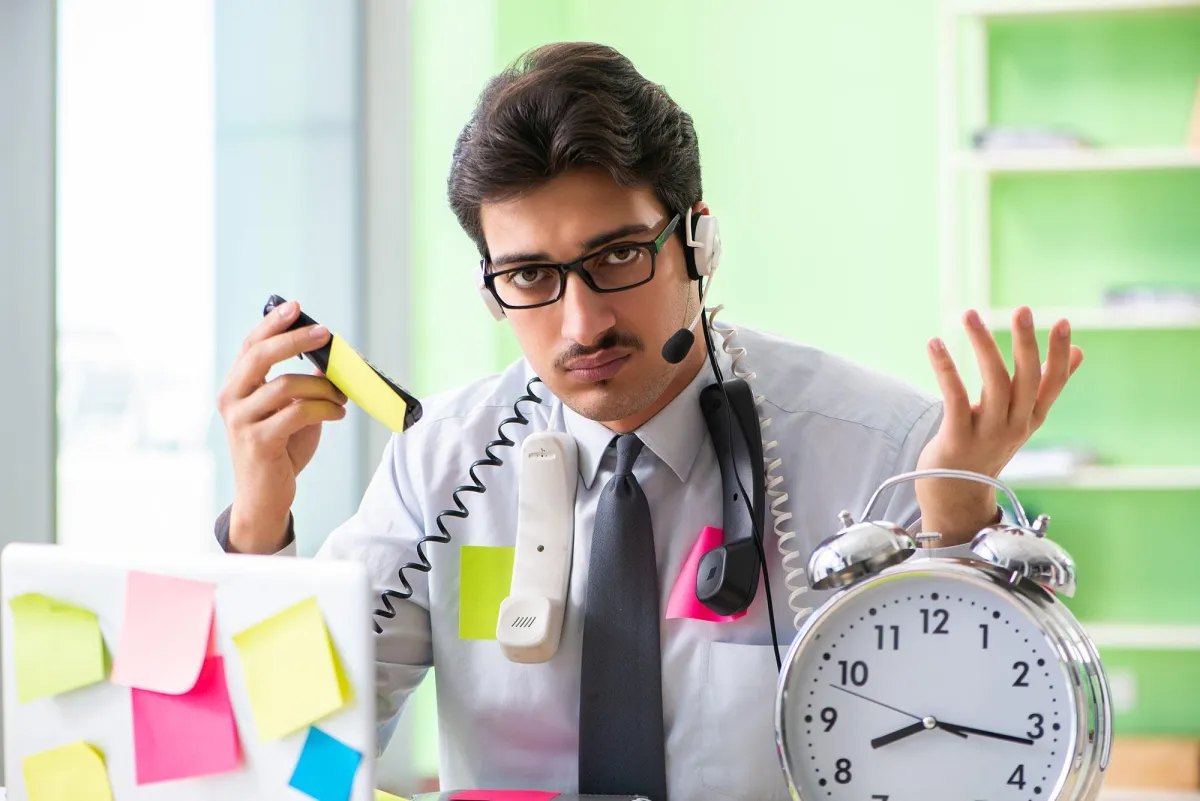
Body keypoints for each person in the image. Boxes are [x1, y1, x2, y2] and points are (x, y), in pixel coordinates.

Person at [214, 42, 1083, 800]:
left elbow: (978, 756)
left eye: (618, 255)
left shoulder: (886, 451)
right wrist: (259, 523)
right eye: (527, 277)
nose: (581, 322)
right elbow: (298, 745)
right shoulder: (440, 463)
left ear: (699, 241)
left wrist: (953, 525)